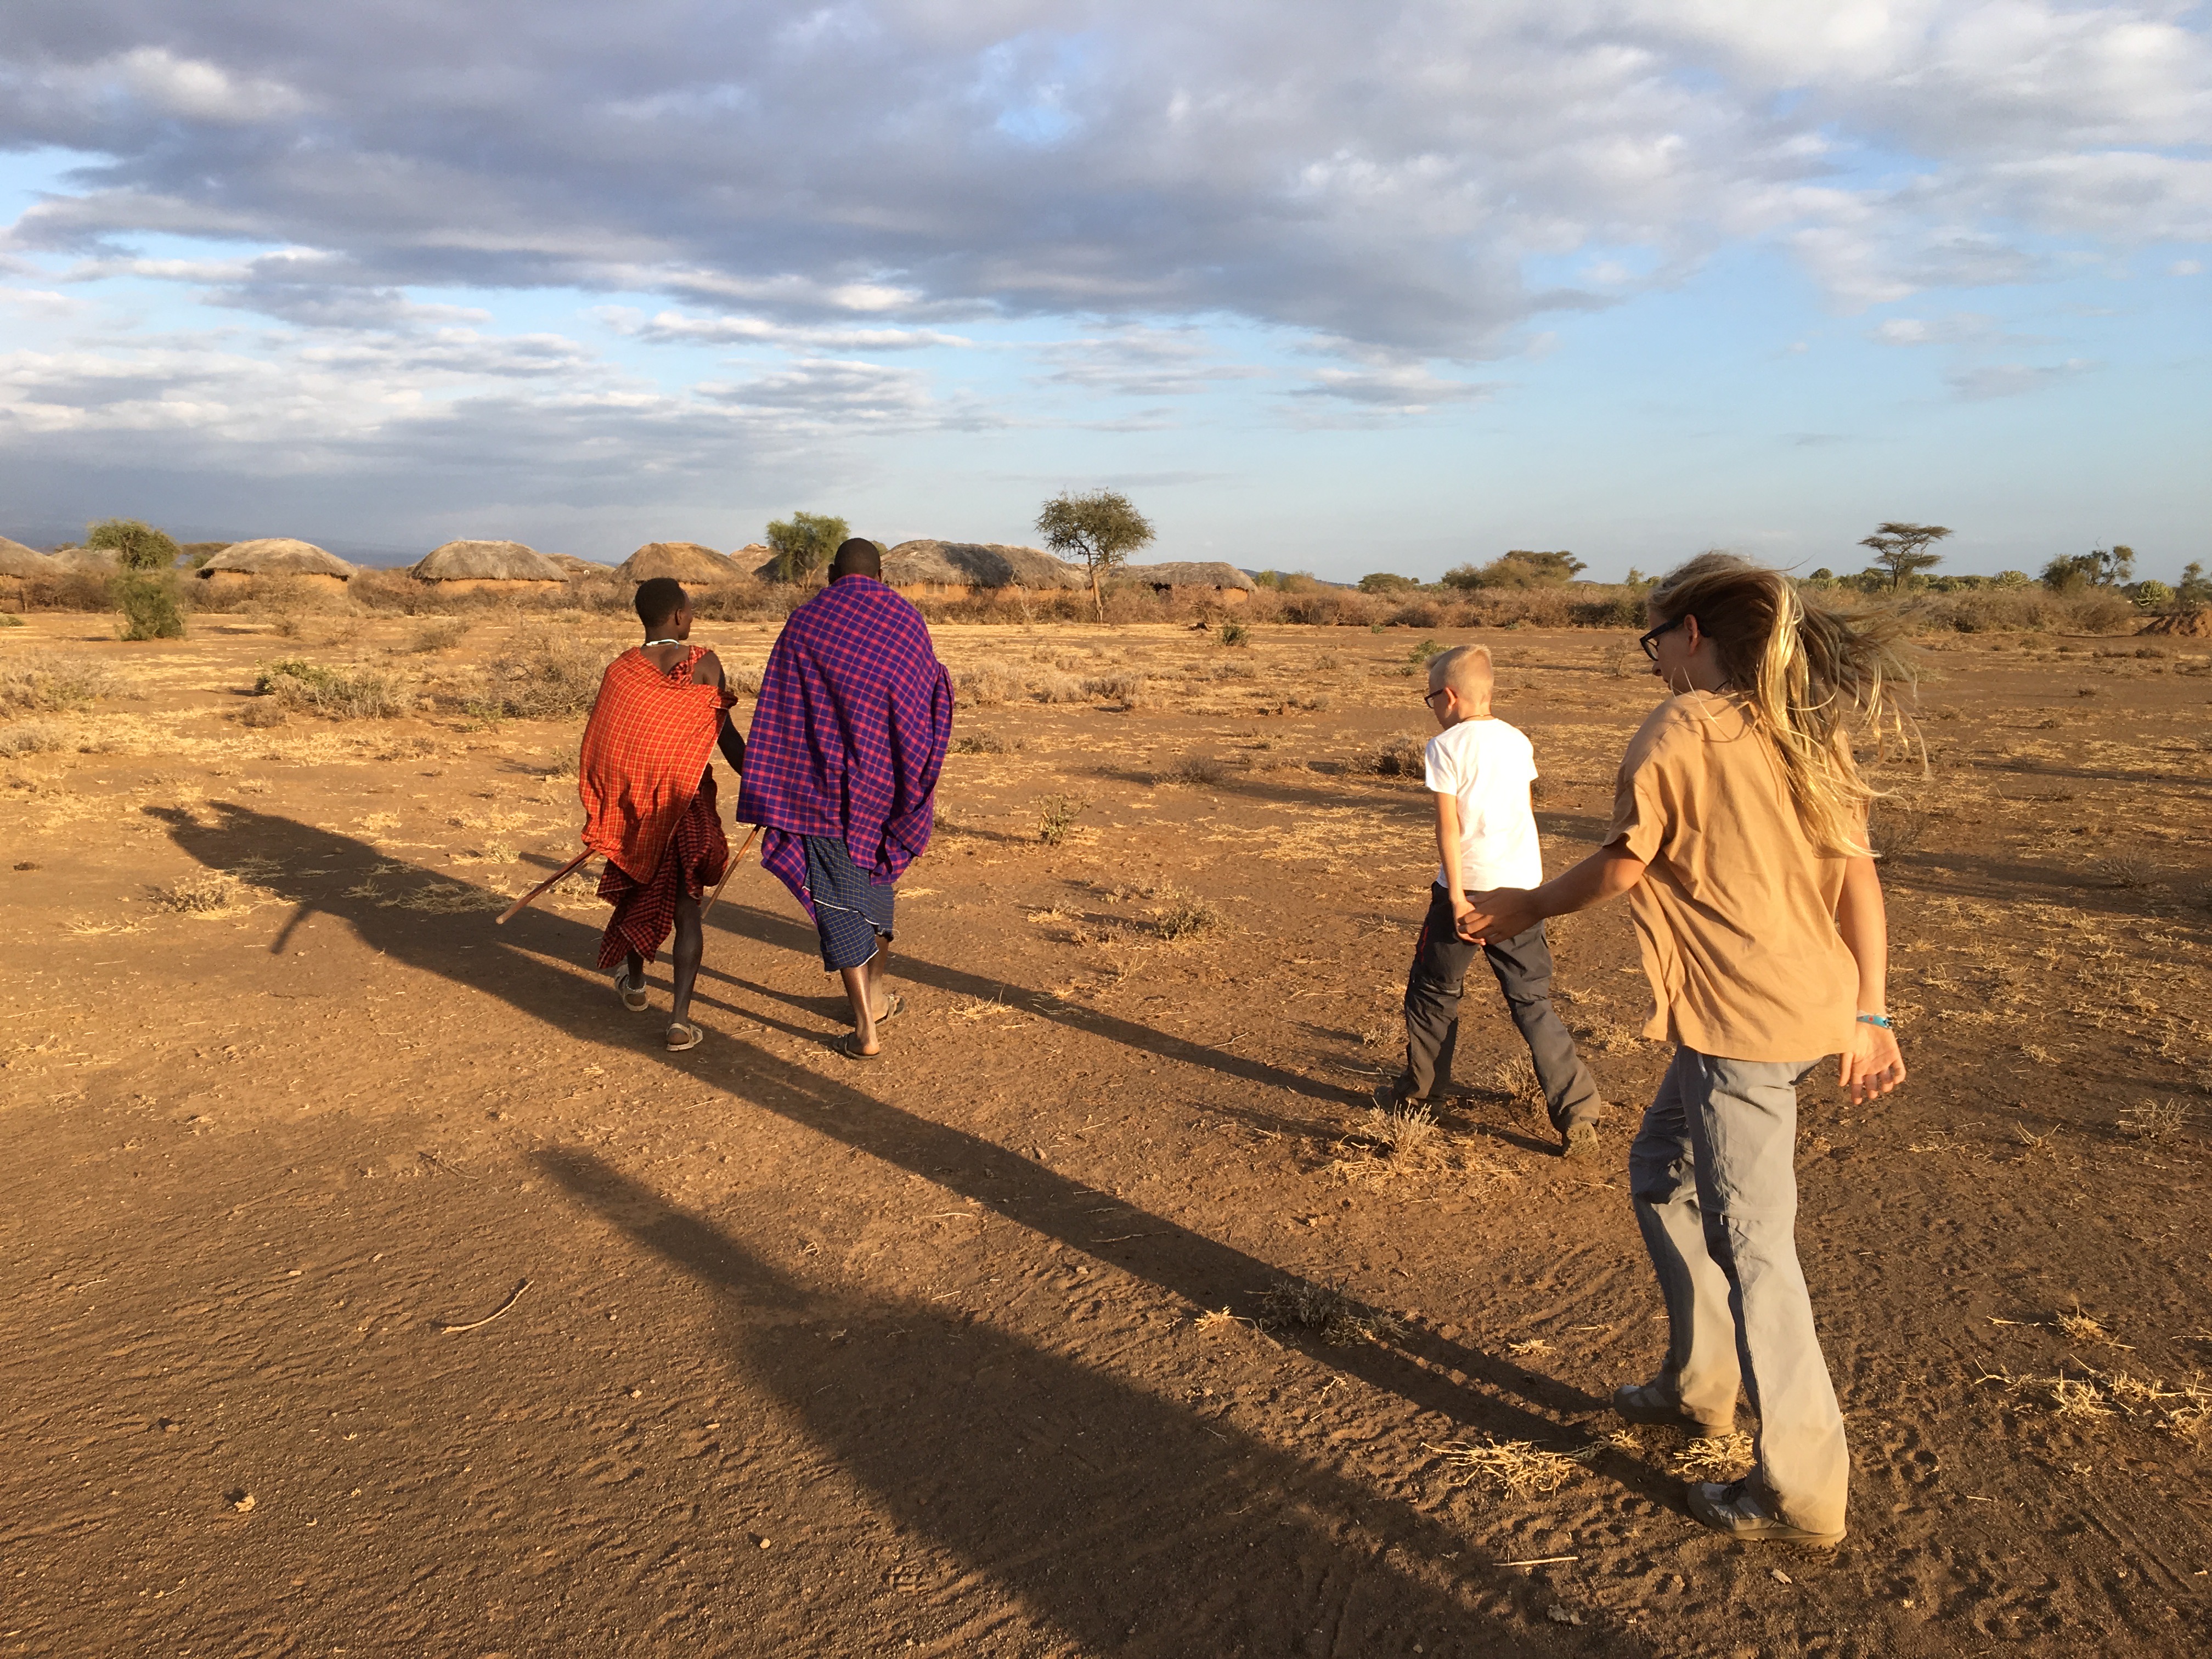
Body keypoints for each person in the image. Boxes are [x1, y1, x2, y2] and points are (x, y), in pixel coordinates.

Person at [1456, 552, 1912, 1549]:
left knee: (1757, 1250)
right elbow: (1857, 880)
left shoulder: (1682, 728)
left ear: (1693, 634)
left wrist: (1526, 903)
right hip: (1803, 1011)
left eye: (1653, 639)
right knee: (1659, 1170)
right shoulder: (1806, 730)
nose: (1653, 659)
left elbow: (1626, 863)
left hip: (1741, 1022)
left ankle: (1799, 1488)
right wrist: (1871, 1013)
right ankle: (1700, 1383)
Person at [1377, 643, 1605, 1159]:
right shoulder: (1517, 739)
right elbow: (1525, 813)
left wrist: (1456, 897)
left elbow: (1448, 828)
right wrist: (1533, 890)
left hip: (1469, 889)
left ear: (1450, 696)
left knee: (1434, 993)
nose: (1432, 706)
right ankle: (1578, 1114)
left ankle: (1421, 1097)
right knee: (1532, 1001)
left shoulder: (1446, 746)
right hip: (1523, 890)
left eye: (1431, 696)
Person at [737, 538, 952, 1059]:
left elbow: (781, 710)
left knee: (838, 901)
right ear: (882, 575)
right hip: (887, 784)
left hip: (820, 791)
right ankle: (875, 999)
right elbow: (931, 697)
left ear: (833, 573)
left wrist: (773, 783)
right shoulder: (906, 620)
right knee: (876, 887)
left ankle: (865, 1030)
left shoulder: (806, 623)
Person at [579, 577, 747, 1053]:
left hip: (635, 809)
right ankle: (678, 1021)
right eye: (690, 608)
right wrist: (764, 784)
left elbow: (605, 749)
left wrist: (612, 807)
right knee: (686, 905)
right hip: (684, 804)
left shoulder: (621, 671)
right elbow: (727, 738)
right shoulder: (704, 664)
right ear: (677, 616)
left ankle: (634, 987)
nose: (693, 616)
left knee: (638, 887)